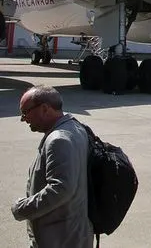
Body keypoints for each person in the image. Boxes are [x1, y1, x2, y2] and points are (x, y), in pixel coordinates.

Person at [12, 85, 93, 248]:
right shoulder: (75, 127)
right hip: (71, 233)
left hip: (60, 239)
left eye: (26, 112)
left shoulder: (59, 140)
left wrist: (22, 209)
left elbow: (61, 188)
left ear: (44, 109)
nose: (23, 118)